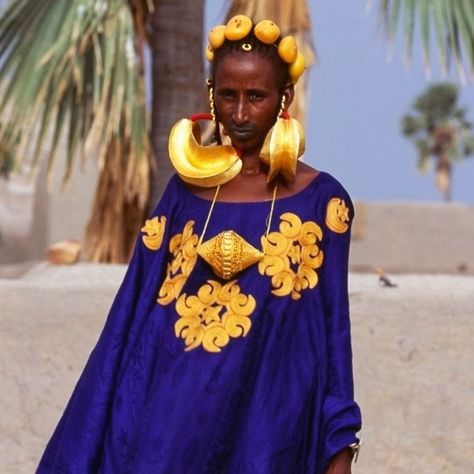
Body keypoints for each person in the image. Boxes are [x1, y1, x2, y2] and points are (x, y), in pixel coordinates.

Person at [38, 14, 361, 474]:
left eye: (257, 97)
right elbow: (131, 317)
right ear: (211, 95)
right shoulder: (183, 195)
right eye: (228, 96)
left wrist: (341, 445)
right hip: (167, 426)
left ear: (284, 99)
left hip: (267, 429)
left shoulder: (322, 202)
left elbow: (334, 334)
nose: (241, 113)